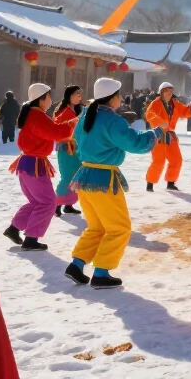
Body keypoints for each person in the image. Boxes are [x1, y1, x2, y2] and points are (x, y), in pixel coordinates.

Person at [66, 76, 164, 289]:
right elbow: (135, 143)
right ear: (112, 98)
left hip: (84, 176)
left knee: (97, 226)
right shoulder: (113, 121)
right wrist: (155, 133)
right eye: (119, 95)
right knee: (120, 228)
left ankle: (77, 263)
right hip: (103, 179)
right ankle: (101, 272)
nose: (121, 99)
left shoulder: (86, 116)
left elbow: (80, 143)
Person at [3, 83, 74, 251]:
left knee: (37, 201)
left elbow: (52, 129)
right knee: (48, 203)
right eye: (49, 96)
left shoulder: (33, 114)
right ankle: (31, 239)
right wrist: (73, 124)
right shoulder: (37, 115)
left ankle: (14, 228)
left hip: (27, 162)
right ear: (41, 99)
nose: (50, 100)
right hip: (34, 164)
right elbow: (55, 132)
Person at [143, 81, 191, 191]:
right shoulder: (156, 103)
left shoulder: (175, 103)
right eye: (166, 91)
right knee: (158, 160)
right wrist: (160, 122)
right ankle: (150, 184)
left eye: (170, 91)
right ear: (161, 92)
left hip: (171, 135)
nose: (169, 93)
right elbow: (149, 114)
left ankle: (171, 182)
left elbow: (185, 112)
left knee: (176, 160)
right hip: (159, 135)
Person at [52, 85, 85, 216]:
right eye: (77, 94)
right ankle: (56, 204)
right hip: (65, 149)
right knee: (66, 177)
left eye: (80, 94)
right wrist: (76, 120)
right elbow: (58, 129)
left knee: (75, 176)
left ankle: (68, 205)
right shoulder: (63, 111)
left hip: (75, 149)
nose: (79, 97)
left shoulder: (74, 110)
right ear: (69, 95)